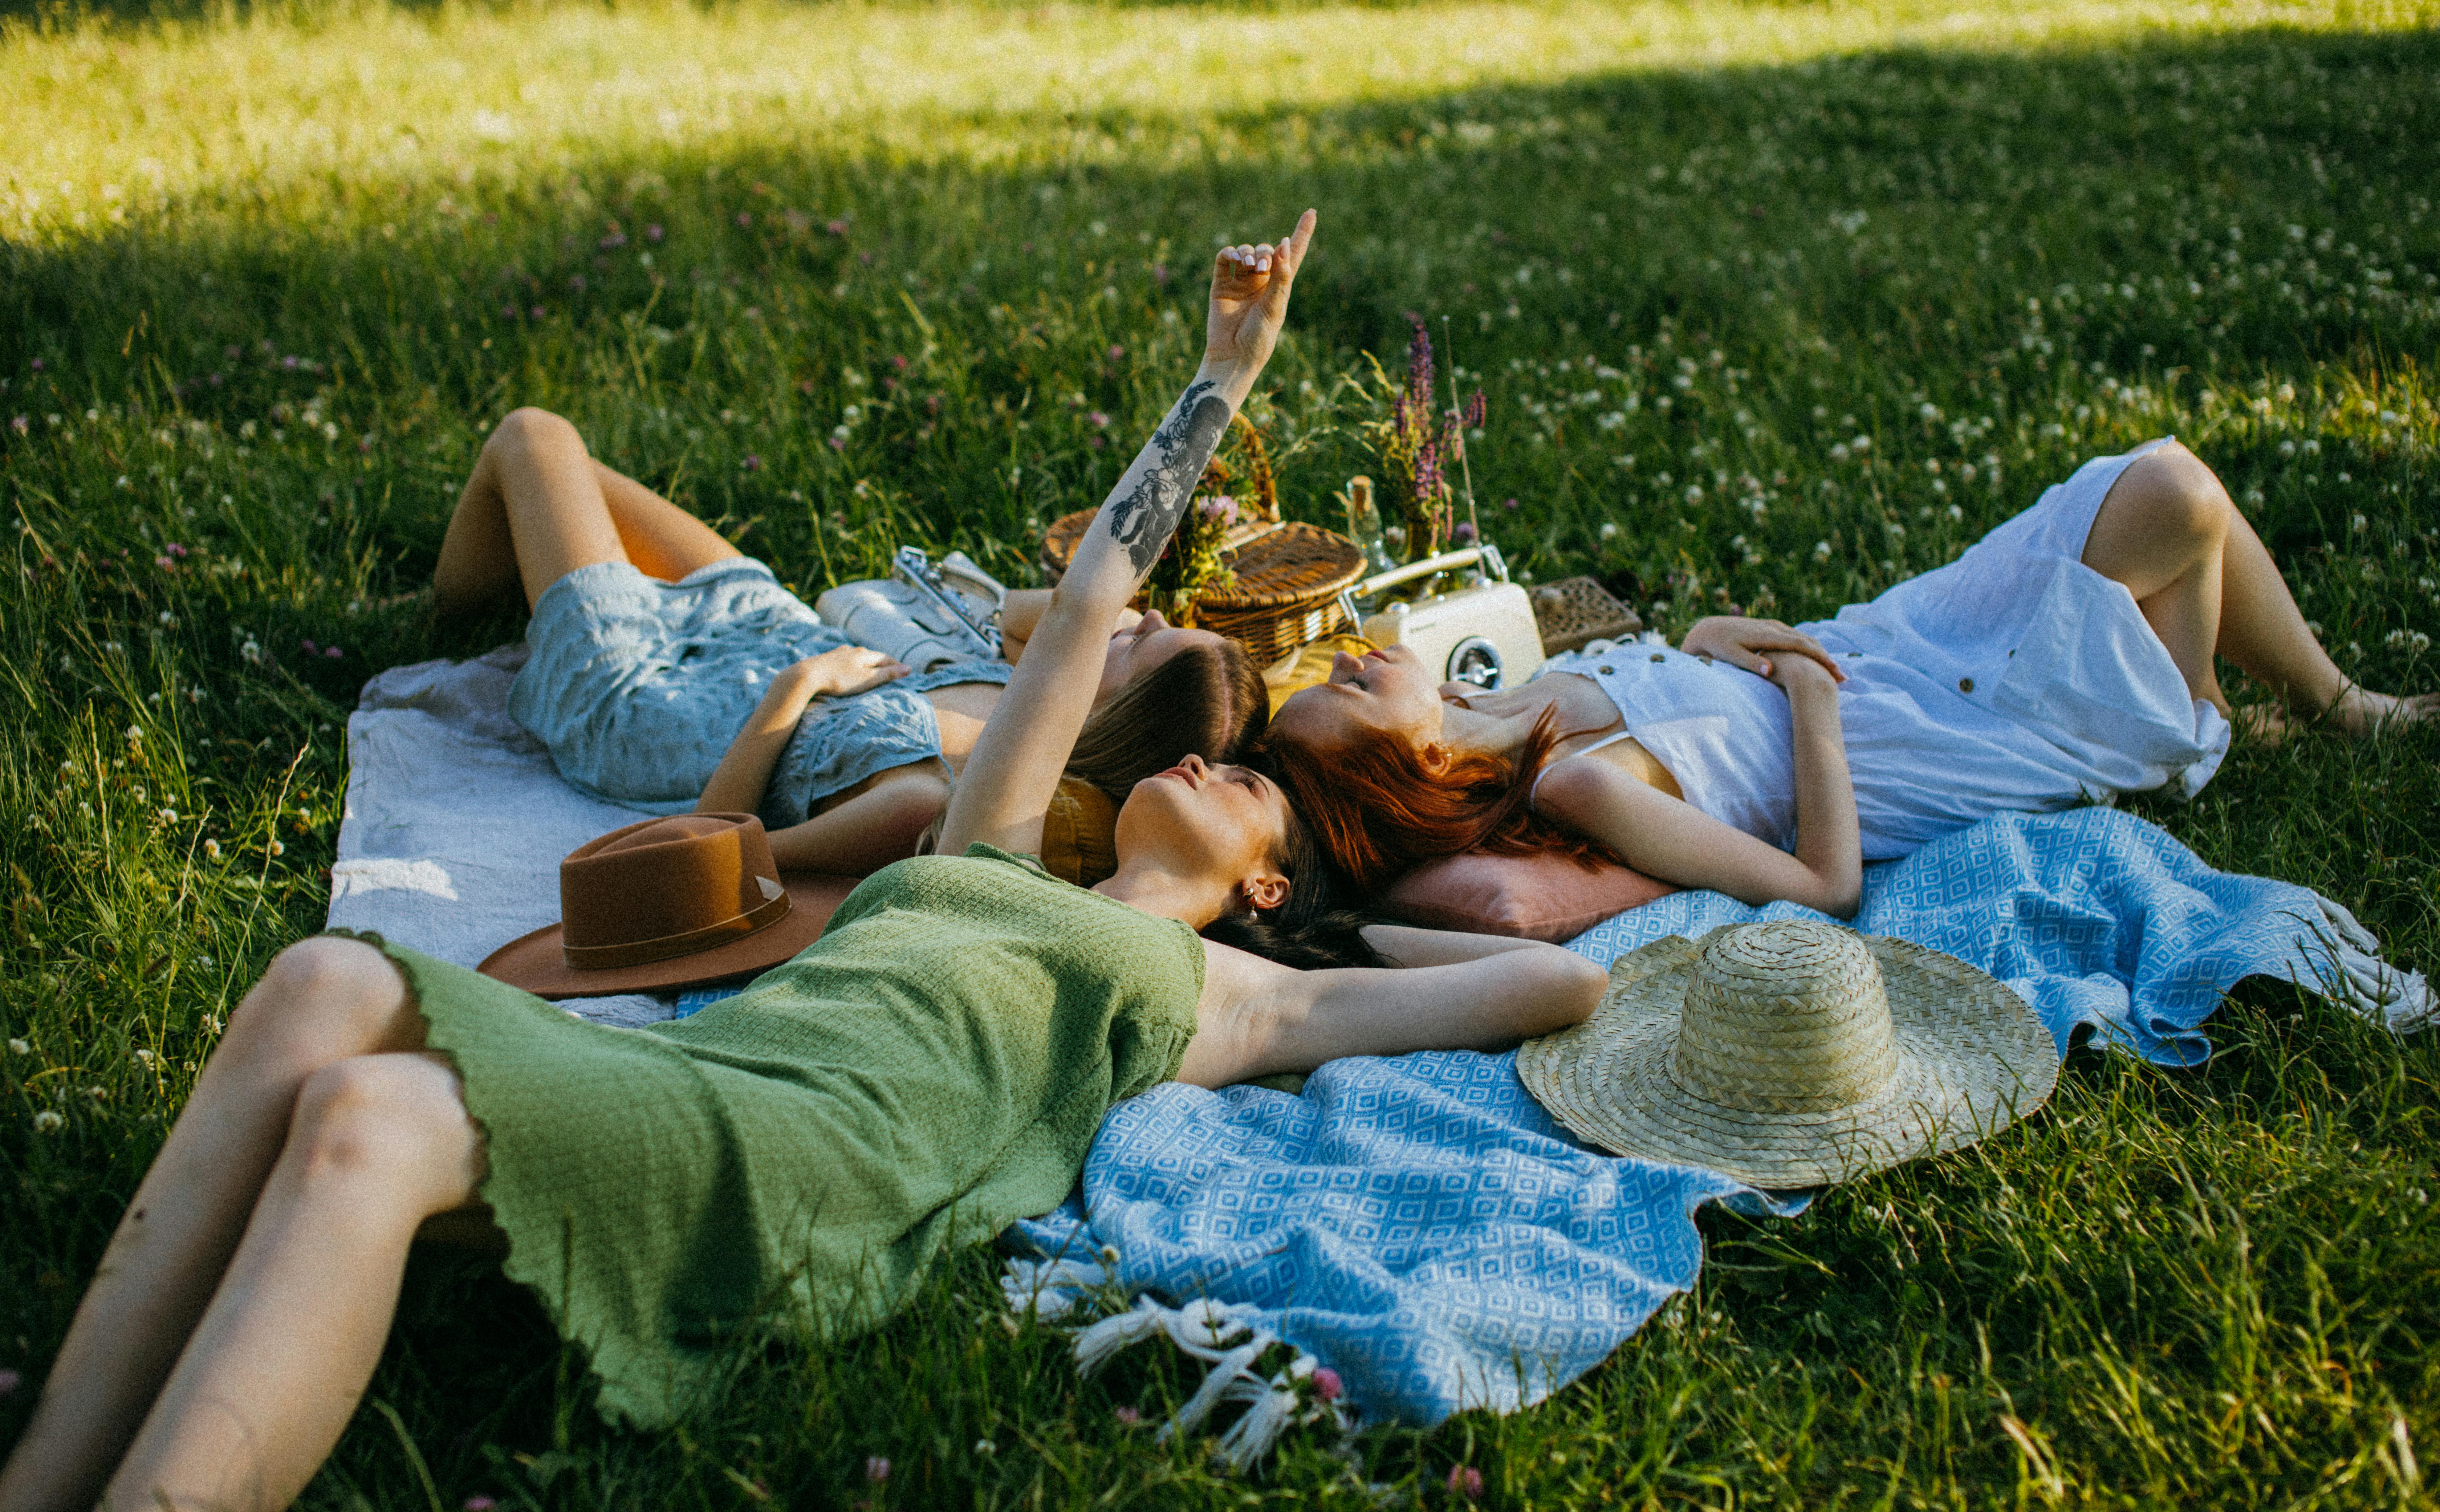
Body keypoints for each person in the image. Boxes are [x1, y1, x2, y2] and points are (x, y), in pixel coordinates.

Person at [0, 210, 1608, 1512]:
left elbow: (1545, 972)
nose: (1204, 761)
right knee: (323, 983)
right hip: (712, 1097)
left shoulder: (1225, 997)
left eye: (1244, 793)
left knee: (372, 1114)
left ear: (1269, 890)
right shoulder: (988, 843)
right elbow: (1104, 595)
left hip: (803, 1176)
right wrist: (1223, 371)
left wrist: (1347, 943)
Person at [1265, 437, 2438, 916]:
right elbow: (1822, 886)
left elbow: (1672, 680)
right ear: (1409, 760)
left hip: (1882, 642)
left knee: (2161, 490)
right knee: (2173, 503)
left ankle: (2325, 705)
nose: (1370, 655)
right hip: (1914, 727)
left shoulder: (1503, 705)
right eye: (1358, 687)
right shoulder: (1573, 790)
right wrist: (1813, 708)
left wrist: (1713, 633)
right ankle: (2215, 724)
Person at [428, 406, 1267, 874]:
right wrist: (1114, 635)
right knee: (567, 468)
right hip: (765, 623)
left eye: (1146, 645)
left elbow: (714, 856)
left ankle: (439, 614)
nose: (1145, 617)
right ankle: (507, 577)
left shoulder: (932, 799)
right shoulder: (1029, 696)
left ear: (1113, 717)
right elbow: (1047, 612)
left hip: (655, 701)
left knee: (532, 438)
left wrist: (793, 692)